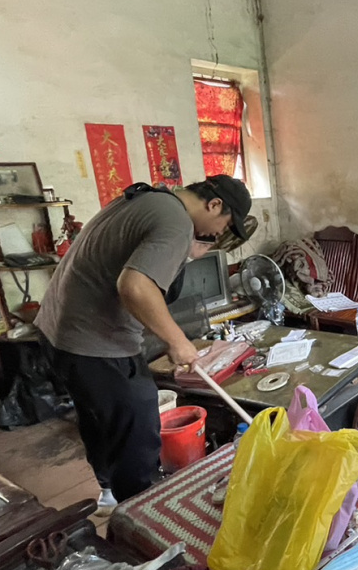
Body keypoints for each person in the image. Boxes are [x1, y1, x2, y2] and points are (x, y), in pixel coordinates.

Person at [36, 175, 251, 509]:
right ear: (214, 205)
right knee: (136, 430)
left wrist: (187, 252)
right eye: (225, 224)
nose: (219, 233)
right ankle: (141, 512)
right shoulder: (176, 221)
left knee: (100, 420)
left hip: (59, 333)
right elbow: (135, 287)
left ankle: (110, 493)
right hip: (96, 341)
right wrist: (177, 341)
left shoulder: (149, 198)